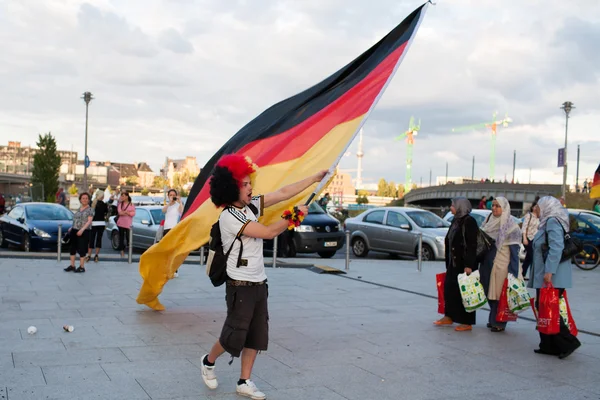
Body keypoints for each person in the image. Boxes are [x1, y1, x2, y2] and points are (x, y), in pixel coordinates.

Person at [199, 154, 326, 399]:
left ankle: (244, 381)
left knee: (255, 336)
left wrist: (314, 178)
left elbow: (284, 192)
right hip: (239, 285)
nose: (250, 188)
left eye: (249, 183)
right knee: (233, 335)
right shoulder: (229, 217)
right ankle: (208, 360)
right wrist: (293, 217)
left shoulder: (250, 206)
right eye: (245, 184)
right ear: (231, 188)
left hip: (259, 282)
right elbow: (267, 233)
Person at [529, 196, 581, 359]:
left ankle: (568, 342)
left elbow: (556, 247)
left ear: (546, 207)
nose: (534, 209)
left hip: (552, 275)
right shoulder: (545, 223)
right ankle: (548, 345)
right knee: (542, 306)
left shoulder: (552, 222)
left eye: (537, 206)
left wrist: (549, 272)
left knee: (550, 309)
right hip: (545, 274)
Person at [434, 197, 478, 331]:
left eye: (453, 205)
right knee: (450, 289)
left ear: (460, 206)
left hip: (464, 264)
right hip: (453, 263)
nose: (450, 208)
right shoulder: (456, 220)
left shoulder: (469, 221)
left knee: (465, 292)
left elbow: (472, 245)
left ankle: (467, 321)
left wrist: (469, 265)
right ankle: (449, 316)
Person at [480, 197, 522, 332]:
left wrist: (513, 274)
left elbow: (515, 253)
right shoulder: (488, 221)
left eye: (498, 206)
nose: (494, 208)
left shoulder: (511, 227)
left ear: (504, 208)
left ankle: (499, 322)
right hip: (488, 264)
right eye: (493, 205)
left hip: (503, 266)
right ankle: (493, 318)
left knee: (500, 295)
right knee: (489, 292)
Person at [64, 192, 94, 273]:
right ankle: (72, 265)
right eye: (83, 198)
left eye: (86, 198)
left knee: (82, 249)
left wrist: (82, 230)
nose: (84, 200)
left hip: (84, 231)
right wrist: (72, 227)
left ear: (88, 200)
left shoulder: (90, 209)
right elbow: (76, 219)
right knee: (72, 248)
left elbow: (89, 221)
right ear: (80, 200)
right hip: (74, 230)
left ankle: (81, 267)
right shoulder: (79, 208)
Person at [161, 189, 184, 277]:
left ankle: (174, 270)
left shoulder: (178, 205)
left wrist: (180, 201)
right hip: (166, 229)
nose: (172, 196)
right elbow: (163, 211)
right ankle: (166, 269)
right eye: (170, 195)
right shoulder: (167, 206)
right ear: (168, 196)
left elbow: (182, 211)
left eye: (173, 195)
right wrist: (169, 203)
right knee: (166, 250)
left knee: (174, 251)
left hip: (174, 229)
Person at [86, 192, 108, 263]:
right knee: (99, 240)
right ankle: (96, 255)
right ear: (102, 197)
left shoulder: (92, 203)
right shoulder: (104, 204)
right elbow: (106, 213)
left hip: (93, 223)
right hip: (101, 223)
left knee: (91, 240)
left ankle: (89, 255)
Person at [521, 200, 540, 280]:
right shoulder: (529, 216)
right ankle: (535, 276)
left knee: (528, 258)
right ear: (532, 207)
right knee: (533, 257)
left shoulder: (539, 217)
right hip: (528, 238)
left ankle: (522, 274)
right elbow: (524, 227)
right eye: (535, 206)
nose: (536, 208)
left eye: (537, 206)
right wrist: (524, 238)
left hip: (535, 239)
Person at [116, 192, 136, 258]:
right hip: (121, 223)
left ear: (127, 196)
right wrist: (127, 213)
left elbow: (133, 213)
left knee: (128, 238)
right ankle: (122, 251)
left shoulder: (131, 204)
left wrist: (128, 213)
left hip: (128, 224)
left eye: (123, 196)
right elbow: (120, 212)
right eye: (121, 196)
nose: (122, 197)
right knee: (121, 237)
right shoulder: (120, 204)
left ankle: (128, 251)